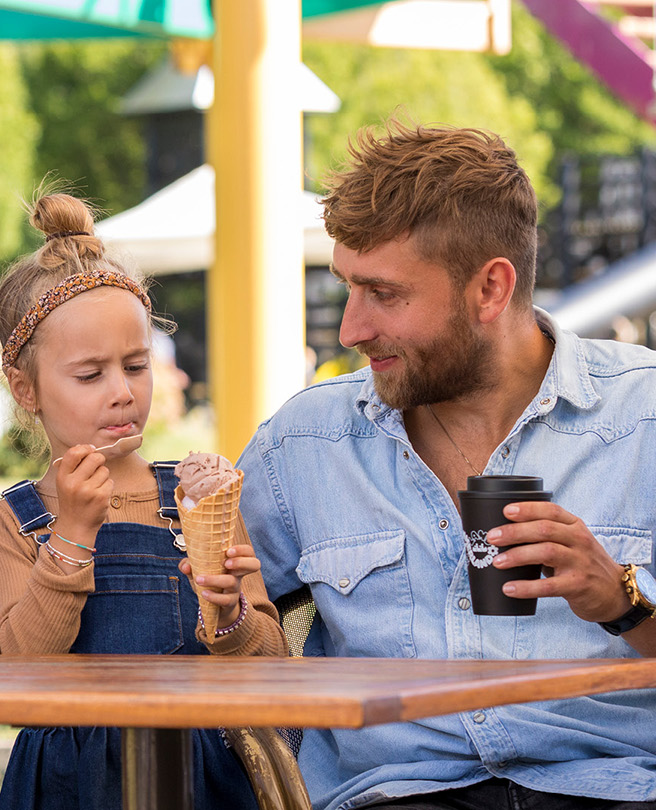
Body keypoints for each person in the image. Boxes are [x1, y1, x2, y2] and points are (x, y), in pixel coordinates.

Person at [238, 118, 656, 810]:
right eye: (348, 286)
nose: (350, 329)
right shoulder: (303, 444)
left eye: (385, 293)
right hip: (399, 794)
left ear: (490, 289)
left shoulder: (642, 416)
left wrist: (622, 599)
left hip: (612, 787)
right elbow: (207, 631)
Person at [0, 192, 295, 810]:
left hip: (205, 773)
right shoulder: (15, 521)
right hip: (71, 783)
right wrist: (71, 535)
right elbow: (22, 675)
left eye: (136, 365)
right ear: (26, 389)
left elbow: (271, 659)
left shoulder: (197, 502)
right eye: (91, 375)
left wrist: (229, 615)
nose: (123, 393)